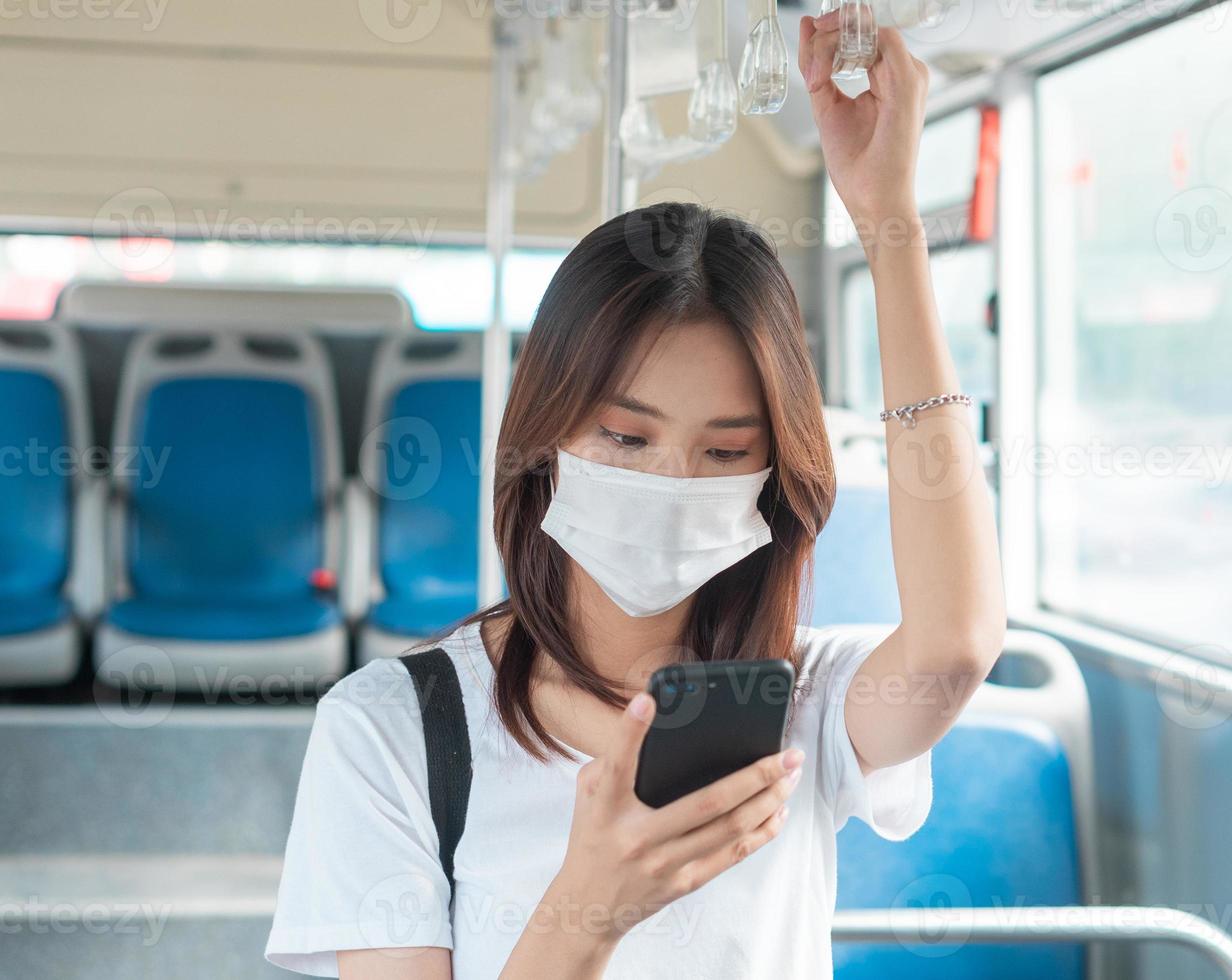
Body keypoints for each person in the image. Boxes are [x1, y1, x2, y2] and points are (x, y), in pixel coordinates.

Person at [265, 12, 1005, 978]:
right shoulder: (393, 730)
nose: (669, 483)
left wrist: (890, 226)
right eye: (623, 436)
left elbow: (954, 644)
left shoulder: (802, 702)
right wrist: (591, 908)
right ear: (545, 438)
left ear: (771, 480)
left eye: (725, 450)